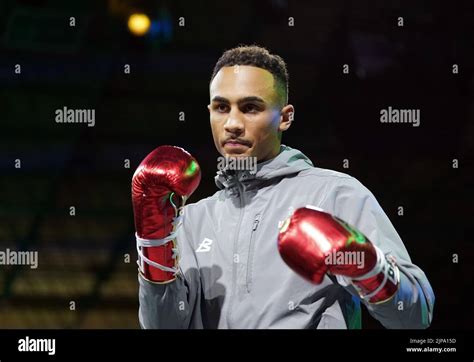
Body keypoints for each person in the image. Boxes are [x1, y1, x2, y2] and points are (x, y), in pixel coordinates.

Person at [132, 45, 434, 329]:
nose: (232, 123)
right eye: (221, 107)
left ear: (285, 118)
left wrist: (366, 265)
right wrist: (153, 240)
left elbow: (414, 317)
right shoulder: (192, 220)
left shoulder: (335, 195)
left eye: (250, 108)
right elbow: (164, 324)